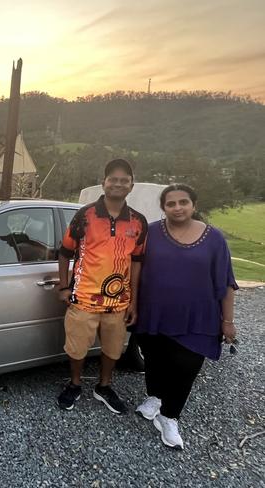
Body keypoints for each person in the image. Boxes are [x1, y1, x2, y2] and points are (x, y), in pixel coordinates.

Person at [133, 184, 238, 450]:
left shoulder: (214, 238)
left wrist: (228, 321)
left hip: (199, 317)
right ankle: (154, 397)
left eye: (183, 202)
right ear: (163, 207)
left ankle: (170, 417)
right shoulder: (151, 233)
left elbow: (226, 282)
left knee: (186, 366)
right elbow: (134, 270)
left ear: (194, 205)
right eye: (171, 203)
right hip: (154, 313)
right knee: (154, 360)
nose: (178, 207)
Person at [57, 159, 147, 413]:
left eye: (124, 180)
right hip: (83, 298)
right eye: (113, 179)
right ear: (104, 183)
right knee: (76, 347)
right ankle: (75, 384)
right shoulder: (84, 216)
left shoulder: (138, 222)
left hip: (118, 302)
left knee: (113, 349)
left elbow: (137, 262)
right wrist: (64, 287)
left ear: (131, 186)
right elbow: (64, 253)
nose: (118, 184)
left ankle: (104, 386)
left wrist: (134, 301)